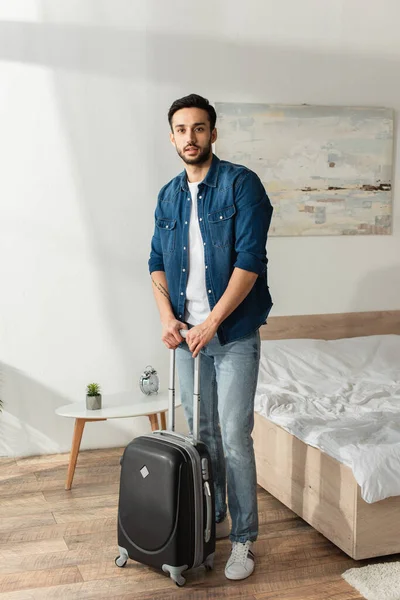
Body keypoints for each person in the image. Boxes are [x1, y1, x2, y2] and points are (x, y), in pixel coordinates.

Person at [148, 93, 273, 580]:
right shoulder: (167, 195)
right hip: (186, 337)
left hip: (233, 333)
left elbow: (249, 265)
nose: (190, 137)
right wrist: (167, 319)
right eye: (182, 129)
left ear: (213, 133)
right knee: (203, 437)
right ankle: (211, 518)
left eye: (199, 128)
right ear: (172, 136)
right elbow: (156, 263)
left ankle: (244, 538)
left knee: (236, 438)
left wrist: (211, 323)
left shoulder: (242, 185)